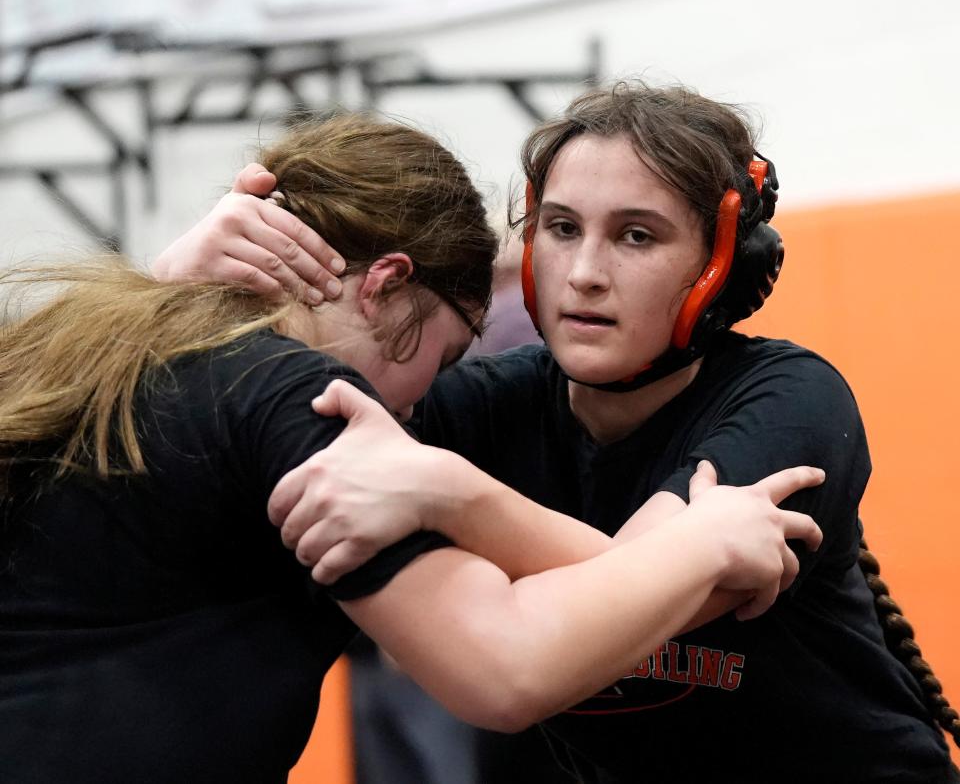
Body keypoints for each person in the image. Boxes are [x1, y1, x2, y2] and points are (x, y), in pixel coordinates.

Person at [0, 111, 823, 784]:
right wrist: (705, 541)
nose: (424, 400)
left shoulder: (69, 347)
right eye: (446, 353)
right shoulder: (299, 395)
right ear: (389, 284)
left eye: (636, 237)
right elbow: (508, 667)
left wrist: (162, 290)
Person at [178, 82, 960, 782]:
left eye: (636, 236)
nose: (584, 271)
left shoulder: (790, 400)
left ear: (725, 265)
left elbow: (646, 579)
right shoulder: (483, 405)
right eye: (560, 227)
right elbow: (246, 435)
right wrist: (180, 289)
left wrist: (452, 491)